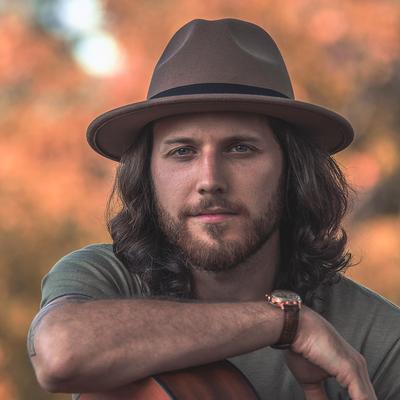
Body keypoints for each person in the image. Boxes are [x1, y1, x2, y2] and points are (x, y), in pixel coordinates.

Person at [27, 18, 400, 399]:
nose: (210, 180)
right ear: (147, 174)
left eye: (240, 148)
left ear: (293, 168)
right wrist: (288, 323)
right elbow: (61, 354)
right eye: (182, 151)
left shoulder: (380, 342)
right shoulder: (106, 280)